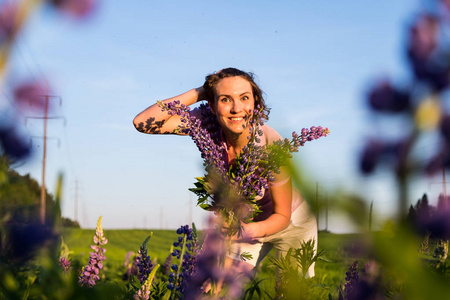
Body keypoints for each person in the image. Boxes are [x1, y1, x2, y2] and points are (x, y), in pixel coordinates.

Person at [133, 67, 317, 278]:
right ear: (212, 105)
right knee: (219, 289)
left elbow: (282, 216)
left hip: (292, 222)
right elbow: (143, 123)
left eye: (244, 98)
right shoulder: (207, 124)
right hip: (244, 223)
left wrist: (247, 231)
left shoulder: (272, 145)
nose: (236, 108)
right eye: (225, 99)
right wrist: (202, 91)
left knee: (288, 291)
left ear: (255, 103)